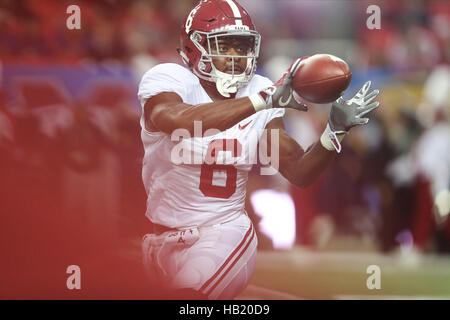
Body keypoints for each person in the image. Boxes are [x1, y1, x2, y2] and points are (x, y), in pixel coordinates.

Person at [138, 0, 379, 299]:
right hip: (158, 239)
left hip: (223, 232)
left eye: (242, 46)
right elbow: (177, 121)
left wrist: (333, 133)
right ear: (193, 47)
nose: (236, 56)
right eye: (224, 46)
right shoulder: (169, 79)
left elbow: (298, 171)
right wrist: (263, 100)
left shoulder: (258, 88)